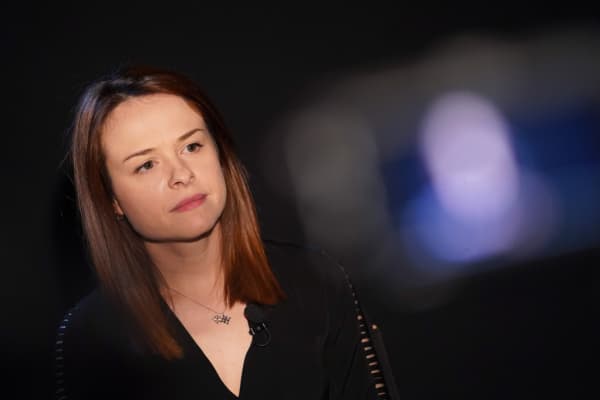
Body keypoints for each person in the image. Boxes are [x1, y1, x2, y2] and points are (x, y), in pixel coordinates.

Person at [55, 65, 395, 399]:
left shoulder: (316, 281)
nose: (181, 174)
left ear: (220, 154)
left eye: (192, 147)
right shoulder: (91, 338)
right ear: (111, 199)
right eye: (146, 165)